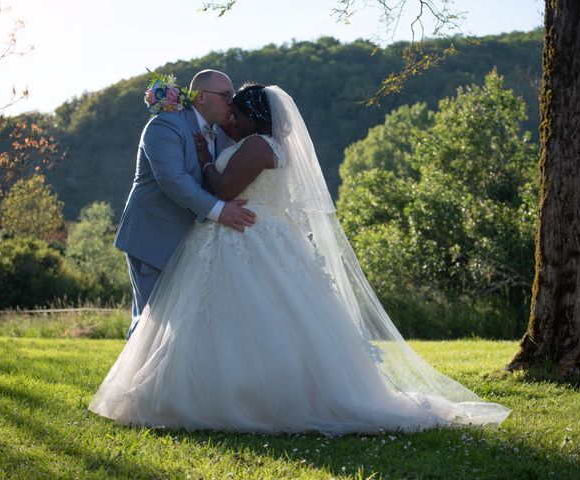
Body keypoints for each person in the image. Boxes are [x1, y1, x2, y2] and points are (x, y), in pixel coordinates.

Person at [89, 84, 511, 434]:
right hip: (241, 233)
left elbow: (219, 188)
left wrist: (203, 158)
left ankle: (248, 397)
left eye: (237, 111)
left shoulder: (256, 145)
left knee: (257, 318)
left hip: (250, 235)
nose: (230, 118)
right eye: (227, 107)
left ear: (255, 118)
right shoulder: (250, 141)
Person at [114, 69, 256, 339]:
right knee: (150, 321)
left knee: (187, 328)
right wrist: (220, 211)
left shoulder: (221, 132)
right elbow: (172, 179)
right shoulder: (165, 126)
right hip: (155, 236)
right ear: (201, 97)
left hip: (196, 242)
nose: (232, 101)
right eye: (226, 95)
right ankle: (138, 382)